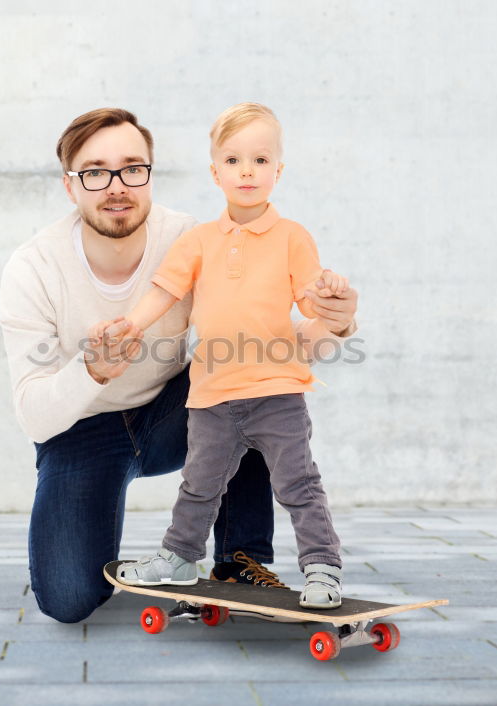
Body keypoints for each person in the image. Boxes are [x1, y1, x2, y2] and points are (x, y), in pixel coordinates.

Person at [0, 107, 358, 623]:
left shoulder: (190, 237)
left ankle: (239, 561)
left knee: (254, 387)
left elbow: (272, 335)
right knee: (68, 598)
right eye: (95, 172)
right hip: (80, 431)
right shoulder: (33, 267)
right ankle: (169, 555)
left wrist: (336, 324)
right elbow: (34, 415)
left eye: (132, 168)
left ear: (149, 174)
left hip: (176, 410)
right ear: (70, 185)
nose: (116, 185)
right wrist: (93, 371)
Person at [112, 103, 348, 608]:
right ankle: (178, 557)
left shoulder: (292, 238)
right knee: (198, 487)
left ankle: (323, 569)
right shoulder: (199, 241)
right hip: (211, 396)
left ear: (278, 171)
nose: (247, 171)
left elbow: (311, 304)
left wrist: (330, 296)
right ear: (215, 171)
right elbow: (166, 291)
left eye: (261, 161)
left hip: (277, 393)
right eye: (234, 160)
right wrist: (131, 324)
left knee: (299, 485)